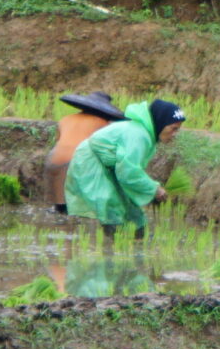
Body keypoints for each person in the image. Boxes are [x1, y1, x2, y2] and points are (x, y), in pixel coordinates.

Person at [65, 98, 185, 252]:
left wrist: (149, 190)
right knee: (111, 210)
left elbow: (130, 170)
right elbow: (128, 173)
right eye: (173, 128)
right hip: (93, 164)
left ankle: (137, 250)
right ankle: (112, 256)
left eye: (177, 130)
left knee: (134, 215)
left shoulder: (145, 134)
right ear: (161, 122)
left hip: (111, 167)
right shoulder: (138, 135)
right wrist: (154, 189)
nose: (175, 134)